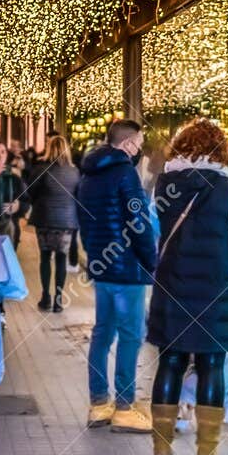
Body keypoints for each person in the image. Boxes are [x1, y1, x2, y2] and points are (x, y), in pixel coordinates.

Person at [146, 119, 228, 455]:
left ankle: (162, 449)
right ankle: (206, 453)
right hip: (218, 289)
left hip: (172, 287)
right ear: (221, 151)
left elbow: (151, 238)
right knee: (212, 364)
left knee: (170, 360)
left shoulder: (162, 186)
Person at [76, 119, 158, 434]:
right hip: (128, 269)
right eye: (138, 143)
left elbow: (83, 223)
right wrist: (151, 260)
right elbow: (138, 220)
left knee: (102, 333)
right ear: (127, 144)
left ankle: (99, 404)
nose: (140, 149)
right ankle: (124, 407)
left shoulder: (88, 176)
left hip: (102, 265)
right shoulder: (126, 174)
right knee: (130, 335)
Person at [25, 134, 81, 312]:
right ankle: (58, 300)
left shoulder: (42, 168)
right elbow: (78, 195)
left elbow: (30, 191)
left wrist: (38, 202)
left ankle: (45, 297)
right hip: (66, 221)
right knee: (61, 258)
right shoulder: (74, 171)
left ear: (49, 148)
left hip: (45, 218)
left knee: (45, 257)